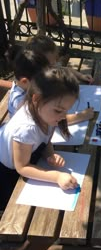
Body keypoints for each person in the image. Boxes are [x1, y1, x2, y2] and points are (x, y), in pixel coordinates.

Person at [0, 66, 81, 210]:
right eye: (59, 110)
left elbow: (46, 139)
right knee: (11, 209)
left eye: (66, 111)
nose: (63, 116)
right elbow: (22, 167)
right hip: (6, 173)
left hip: (25, 156)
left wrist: (49, 154)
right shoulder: (26, 129)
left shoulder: (47, 115)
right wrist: (56, 177)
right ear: (36, 98)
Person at [8, 49, 49, 118]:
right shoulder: (19, 101)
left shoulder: (23, 87)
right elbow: (42, 119)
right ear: (25, 81)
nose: (45, 82)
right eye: (41, 80)